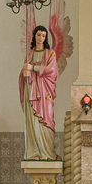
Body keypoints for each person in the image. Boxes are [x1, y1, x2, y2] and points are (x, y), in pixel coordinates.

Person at [21, 25, 59, 160]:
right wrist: (25, 74)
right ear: (34, 36)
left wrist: (33, 68)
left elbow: (52, 71)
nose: (41, 38)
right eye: (38, 35)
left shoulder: (50, 53)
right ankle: (34, 152)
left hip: (45, 91)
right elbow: (25, 72)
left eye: (43, 35)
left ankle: (48, 153)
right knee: (33, 120)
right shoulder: (30, 54)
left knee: (46, 118)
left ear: (46, 37)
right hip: (31, 90)